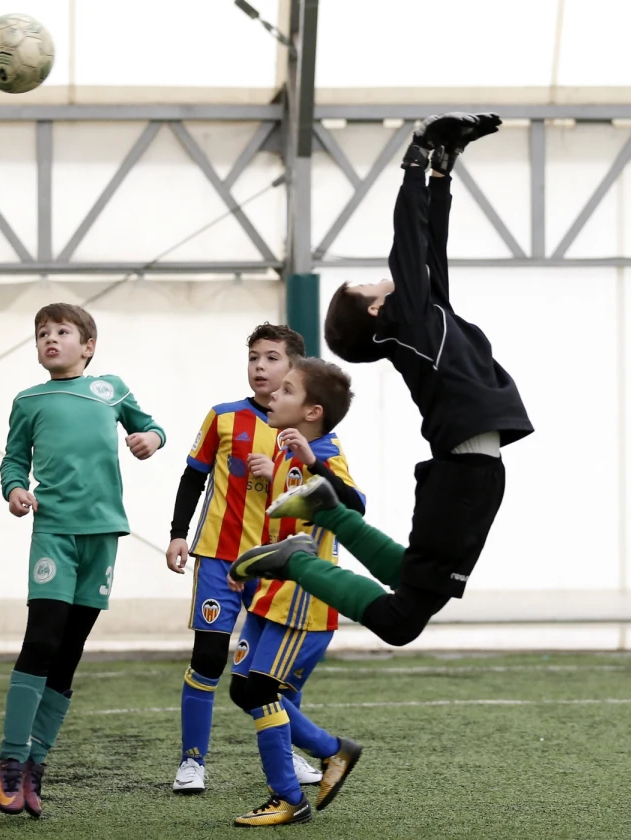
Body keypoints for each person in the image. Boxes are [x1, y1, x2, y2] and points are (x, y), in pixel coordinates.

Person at [230, 113, 533, 650]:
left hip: (472, 473)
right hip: (464, 473)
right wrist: (414, 161)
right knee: (400, 620)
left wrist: (445, 168)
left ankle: (328, 511)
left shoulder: (428, 313)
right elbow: (407, 238)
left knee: (415, 581)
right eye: (372, 282)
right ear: (377, 309)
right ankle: (299, 560)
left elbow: (429, 244)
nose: (386, 275)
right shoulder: (409, 321)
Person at [0, 303, 166, 818]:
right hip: (53, 534)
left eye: (62, 332)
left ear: (87, 345)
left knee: (69, 652)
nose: (51, 339)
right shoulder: (29, 400)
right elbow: (12, 458)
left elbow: (153, 427)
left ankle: (36, 765)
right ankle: (8, 761)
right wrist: (15, 488)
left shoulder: (111, 389)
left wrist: (148, 440)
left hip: (103, 537)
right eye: (43, 333)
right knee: (42, 640)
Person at [166, 324, 326, 793]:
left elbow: (321, 492)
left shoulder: (307, 430)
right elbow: (192, 478)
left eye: (272, 357)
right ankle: (192, 761)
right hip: (219, 556)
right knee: (210, 657)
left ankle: (286, 753)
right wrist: (178, 534)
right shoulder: (223, 416)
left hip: (275, 563)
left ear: (293, 367)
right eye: (254, 357)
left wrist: (279, 469)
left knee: (267, 669)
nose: (260, 366)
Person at [227, 357, 365, 827]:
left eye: (287, 389)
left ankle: (289, 798)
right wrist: (249, 566)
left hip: (302, 601)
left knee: (262, 690)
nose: (273, 393)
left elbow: (355, 505)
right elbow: (282, 526)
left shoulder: (323, 448)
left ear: (313, 411)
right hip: (271, 593)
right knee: (244, 690)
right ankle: (332, 750)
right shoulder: (286, 448)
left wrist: (316, 464)